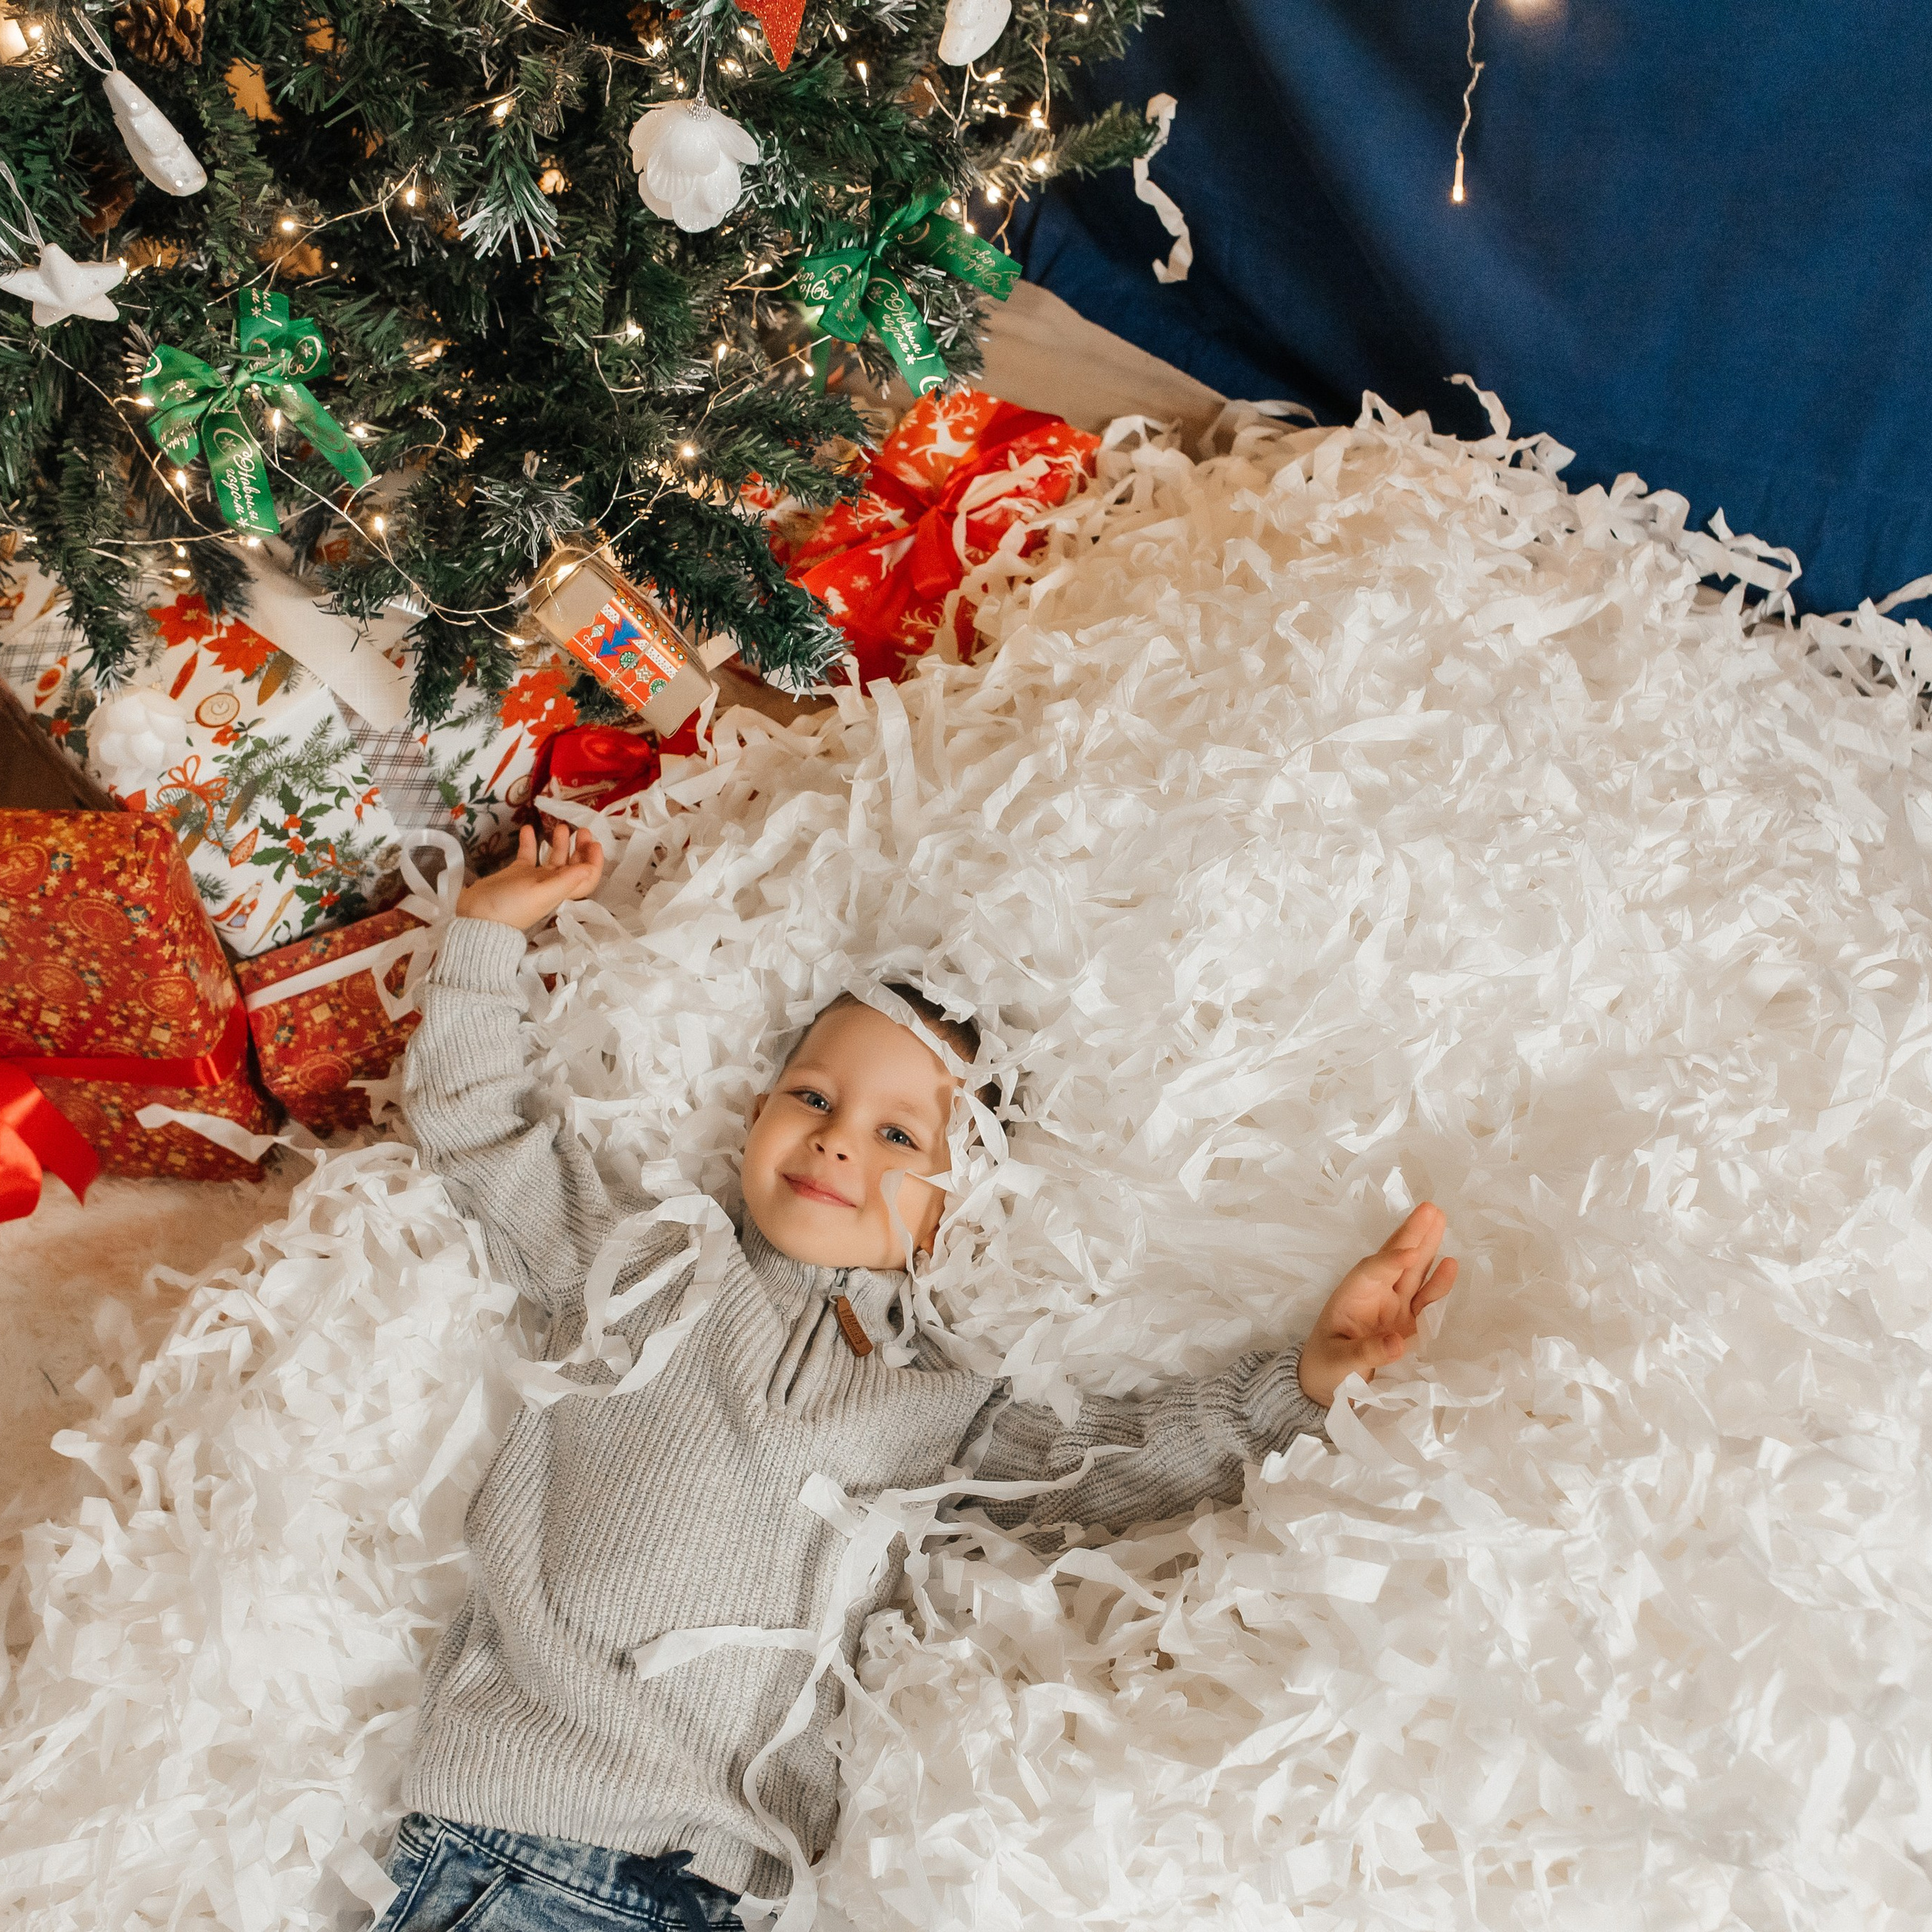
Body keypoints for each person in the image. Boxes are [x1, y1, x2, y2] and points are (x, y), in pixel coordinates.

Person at [376, 826, 1459, 1932]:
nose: (840, 1142)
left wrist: (1302, 1384)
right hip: (526, 1847)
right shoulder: (641, 1270)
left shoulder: (935, 1408)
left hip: (722, 1895)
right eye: (813, 1099)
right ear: (756, 1117)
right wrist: (488, 930)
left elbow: (1107, 1467)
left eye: (898, 1134)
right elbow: (482, 1131)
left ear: (955, 1208)